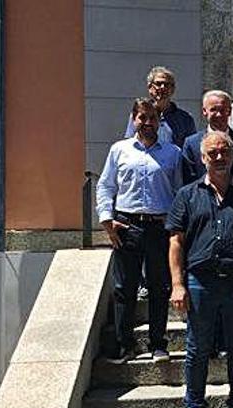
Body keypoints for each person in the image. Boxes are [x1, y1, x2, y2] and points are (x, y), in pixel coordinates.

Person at [167, 131, 233, 408]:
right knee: (197, 350)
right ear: (202, 157)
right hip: (200, 283)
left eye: (225, 152)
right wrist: (177, 283)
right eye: (213, 153)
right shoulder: (187, 194)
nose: (220, 158)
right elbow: (176, 242)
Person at [97, 97, 182, 363]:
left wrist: (176, 227)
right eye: (142, 117)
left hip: (159, 227)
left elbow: (180, 193)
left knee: (159, 287)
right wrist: (107, 219)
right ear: (134, 119)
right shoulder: (119, 150)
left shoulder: (172, 153)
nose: (147, 123)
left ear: (159, 121)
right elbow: (105, 185)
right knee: (124, 288)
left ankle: (158, 344)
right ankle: (125, 346)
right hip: (127, 225)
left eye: (152, 118)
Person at [181, 90, 233, 184]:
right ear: (204, 111)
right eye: (213, 110)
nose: (219, 115)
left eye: (223, 110)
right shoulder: (191, 144)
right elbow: (188, 180)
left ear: (230, 111)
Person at [124, 66, 196, 147]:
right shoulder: (140, 115)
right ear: (149, 88)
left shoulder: (185, 119)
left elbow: (191, 150)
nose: (162, 87)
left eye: (167, 84)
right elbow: (130, 145)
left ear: (173, 89)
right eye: (158, 84)